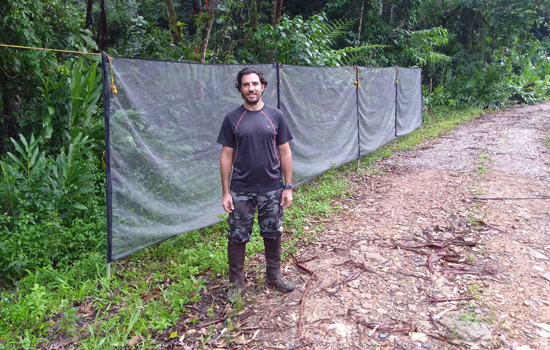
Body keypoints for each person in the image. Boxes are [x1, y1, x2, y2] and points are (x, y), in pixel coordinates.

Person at [217, 67, 294, 303]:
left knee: (273, 232)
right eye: (246, 85)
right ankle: (236, 284)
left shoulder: (276, 116)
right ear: (240, 88)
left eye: (255, 84)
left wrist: (288, 186)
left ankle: (274, 275)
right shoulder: (232, 118)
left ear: (263, 86)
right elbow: (226, 156)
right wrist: (226, 192)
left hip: (272, 188)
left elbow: (285, 152)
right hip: (241, 190)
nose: (251, 88)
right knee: (237, 236)